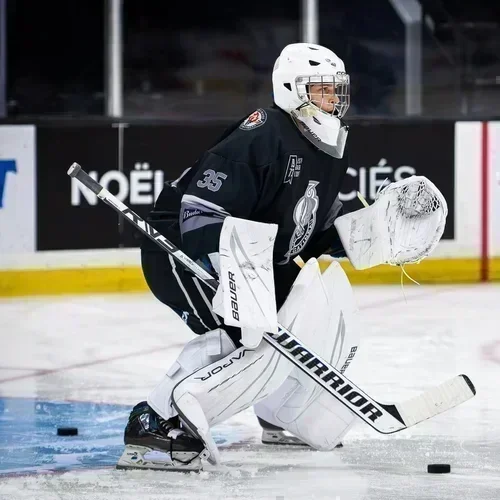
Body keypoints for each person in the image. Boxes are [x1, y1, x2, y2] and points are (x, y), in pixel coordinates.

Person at [117, 42, 359, 472]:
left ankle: (282, 410)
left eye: (335, 90)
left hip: (256, 258)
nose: (331, 99)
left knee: (303, 322)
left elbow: (311, 230)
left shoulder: (330, 145)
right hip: (186, 248)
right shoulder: (264, 131)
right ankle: (153, 421)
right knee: (237, 332)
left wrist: (364, 232)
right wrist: (232, 281)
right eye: (321, 89)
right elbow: (201, 210)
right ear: (292, 90)